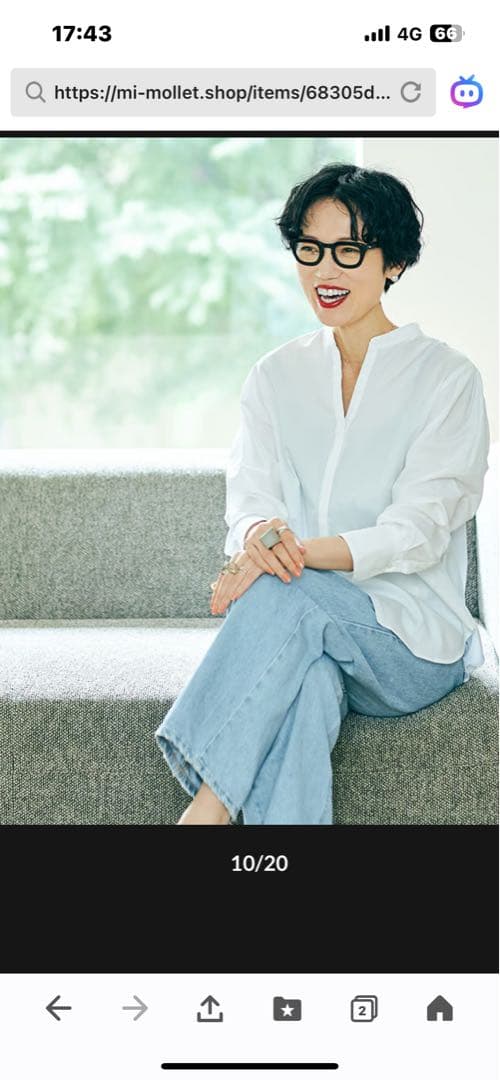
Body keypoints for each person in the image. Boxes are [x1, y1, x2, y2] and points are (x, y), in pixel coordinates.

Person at [154, 162, 490, 825]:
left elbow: (417, 532)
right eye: (309, 249)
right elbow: (250, 500)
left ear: (393, 263)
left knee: (288, 587)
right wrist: (259, 537)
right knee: (304, 685)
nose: (325, 270)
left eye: (348, 251)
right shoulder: (275, 376)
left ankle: (204, 812)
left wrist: (291, 556)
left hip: (409, 643)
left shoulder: (448, 380)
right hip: (303, 634)